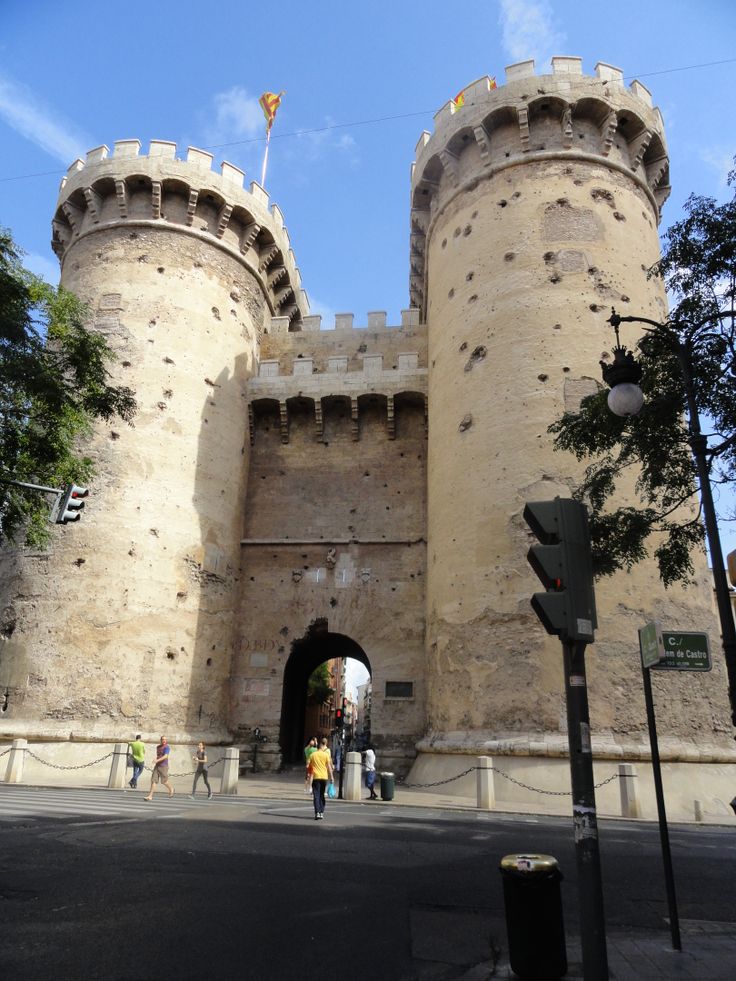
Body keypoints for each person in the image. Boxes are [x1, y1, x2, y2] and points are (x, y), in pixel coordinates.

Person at [309, 736, 334, 821]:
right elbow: (329, 767)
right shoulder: (326, 755)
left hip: (316, 777)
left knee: (316, 796)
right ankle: (321, 812)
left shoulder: (313, 755)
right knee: (322, 795)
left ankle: (317, 813)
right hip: (324, 777)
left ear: (317, 747)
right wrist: (332, 777)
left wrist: (309, 779)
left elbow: (310, 768)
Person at [144, 735, 174, 800]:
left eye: (165, 739)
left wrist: (157, 760)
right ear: (161, 740)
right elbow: (159, 755)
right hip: (157, 766)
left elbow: (165, 756)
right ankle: (150, 796)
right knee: (153, 781)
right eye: (163, 739)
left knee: (164, 782)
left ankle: (171, 788)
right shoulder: (158, 747)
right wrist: (155, 760)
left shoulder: (167, 747)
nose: (164, 740)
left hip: (163, 766)